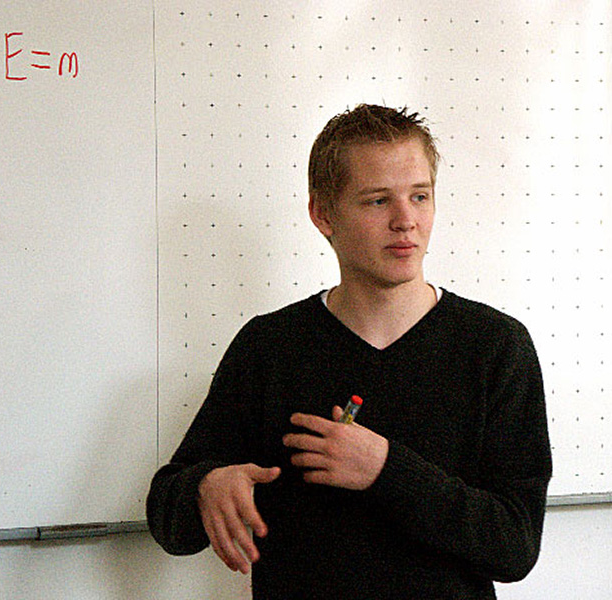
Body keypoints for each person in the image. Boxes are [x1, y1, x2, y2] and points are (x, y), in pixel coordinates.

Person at [147, 104, 553, 599]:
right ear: (323, 214)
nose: (406, 221)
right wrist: (206, 486)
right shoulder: (269, 346)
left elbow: (515, 546)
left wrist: (386, 471)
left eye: (419, 196)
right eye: (378, 201)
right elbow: (168, 516)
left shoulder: (495, 346)